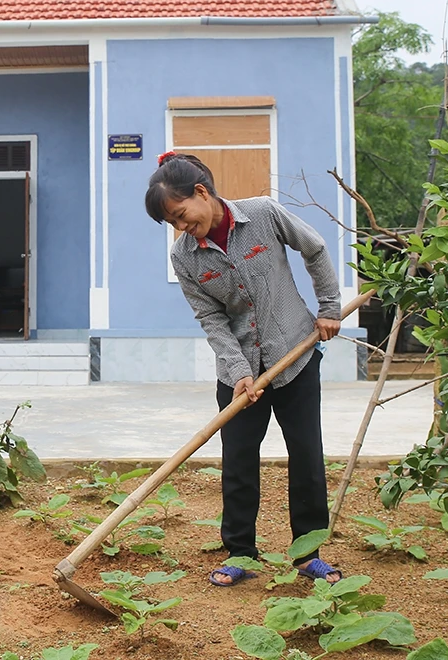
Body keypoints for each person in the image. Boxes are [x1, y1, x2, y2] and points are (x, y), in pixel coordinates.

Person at [144, 151, 343, 585]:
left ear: (201, 193)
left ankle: (309, 554)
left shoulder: (264, 214)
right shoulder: (185, 257)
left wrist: (329, 307)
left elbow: (315, 248)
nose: (181, 228)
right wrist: (238, 370)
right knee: (238, 462)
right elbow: (211, 318)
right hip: (239, 373)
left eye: (181, 216)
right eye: (173, 224)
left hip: (296, 357)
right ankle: (240, 553)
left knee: (306, 455)